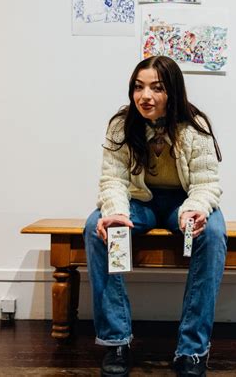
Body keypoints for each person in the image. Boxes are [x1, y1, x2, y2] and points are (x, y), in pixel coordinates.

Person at [84, 56, 227, 377]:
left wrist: (195, 210)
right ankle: (116, 341)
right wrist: (116, 214)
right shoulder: (121, 125)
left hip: (183, 202)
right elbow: (113, 180)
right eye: (138, 87)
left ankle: (192, 349)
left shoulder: (196, 127)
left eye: (156, 88)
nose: (145, 96)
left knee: (213, 233)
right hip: (139, 202)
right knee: (96, 227)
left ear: (172, 92)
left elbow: (206, 184)